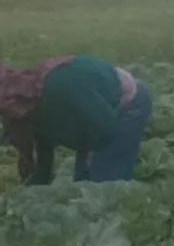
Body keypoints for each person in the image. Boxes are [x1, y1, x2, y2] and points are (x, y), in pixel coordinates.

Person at [0, 54, 152, 185]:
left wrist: (90, 156)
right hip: (89, 115)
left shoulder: (59, 88)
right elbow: (42, 150)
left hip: (126, 105)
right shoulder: (31, 105)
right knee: (83, 185)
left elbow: (104, 126)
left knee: (105, 185)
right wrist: (34, 187)